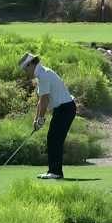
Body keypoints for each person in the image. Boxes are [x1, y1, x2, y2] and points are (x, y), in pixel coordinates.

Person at [19, 52, 76, 180]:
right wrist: (36, 119)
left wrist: (41, 118)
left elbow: (44, 100)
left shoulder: (43, 75)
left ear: (31, 64)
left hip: (65, 109)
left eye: (25, 68)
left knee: (54, 139)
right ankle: (54, 171)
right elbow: (40, 100)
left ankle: (55, 172)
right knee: (53, 138)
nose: (25, 72)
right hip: (64, 109)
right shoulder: (42, 74)